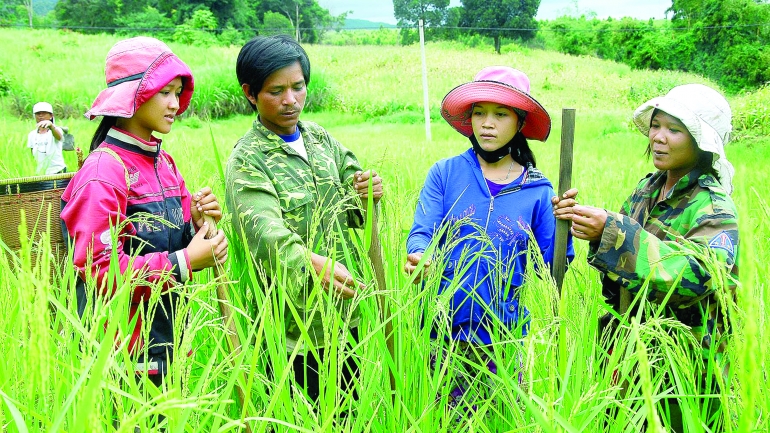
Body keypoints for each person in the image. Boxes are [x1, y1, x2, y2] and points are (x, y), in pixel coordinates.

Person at [552, 83, 738, 430]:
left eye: (675, 129)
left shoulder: (712, 206)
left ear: (701, 142)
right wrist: (592, 228)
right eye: (656, 125)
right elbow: (625, 262)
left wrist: (612, 231)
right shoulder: (647, 189)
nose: (658, 137)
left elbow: (698, 275)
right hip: (629, 360)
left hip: (685, 371)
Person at [60, 37, 229, 390]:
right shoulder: (104, 171)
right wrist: (186, 261)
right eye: (164, 92)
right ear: (134, 95)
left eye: (178, 92)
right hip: (119, 357)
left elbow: (169, 243)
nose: (175, 104)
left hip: (166, 343)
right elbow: (99, 270)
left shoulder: (164, 163)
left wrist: (197, 225)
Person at [225, 35, 383, 403]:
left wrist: (367, 191)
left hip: (346, 317)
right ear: (251, 94)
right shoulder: (248, 160)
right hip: (292, 329)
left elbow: (357, 199)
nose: (290, 100)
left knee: (349, 414)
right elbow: (263, 233)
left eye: (298, 87)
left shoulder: (320, 140)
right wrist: (312, 264)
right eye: (276, 91)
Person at [404, 66, 572, 408]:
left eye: (499, 114)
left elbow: (551, 269)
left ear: (520, 122)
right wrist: (420, 254)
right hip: (442, 332)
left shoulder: (537, 189)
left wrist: (564, 224)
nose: (487, 123)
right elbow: (423, 231)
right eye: (479, 113)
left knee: (503, 417)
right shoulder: (446, 173)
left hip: (504, 337)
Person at [27, 101, 68, 175]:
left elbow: (59, 137)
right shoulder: (32, 135)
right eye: (38, 113)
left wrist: (51, 126)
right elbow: (33, 154)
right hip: (41, 173)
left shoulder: (56, 130)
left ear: (51, 116)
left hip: (58, 170)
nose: (41, 116)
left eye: (44, 113)